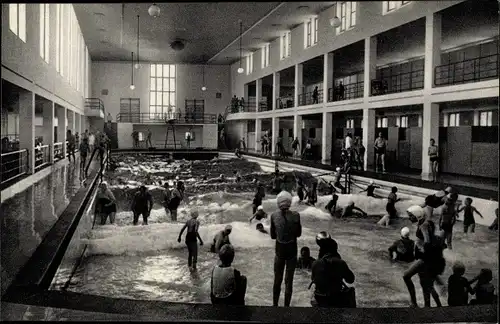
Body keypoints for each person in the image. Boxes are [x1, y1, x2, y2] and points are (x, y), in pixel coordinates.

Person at [404, 205, 445, 307]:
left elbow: (427, 240)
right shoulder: (426, 223)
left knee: (406, 276)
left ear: (417, 215)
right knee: (425, 284)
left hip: (424, 258)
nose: (409, 218)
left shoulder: (423, 225)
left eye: (411, 216)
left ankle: (414, 303)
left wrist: (422, 249)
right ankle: (431, 306)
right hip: (428, 258)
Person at [270, 191, 302, 307]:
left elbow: (273, 236)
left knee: (277, 280)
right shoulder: (296, 215)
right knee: (289, 281)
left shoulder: (274, 215)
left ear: (278, 202)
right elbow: (298, 234)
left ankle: (275, 306)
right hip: (292, 250)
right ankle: (286, 307)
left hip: (279, 250)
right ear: (289, 202)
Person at [311, 234, 355, 308]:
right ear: (335, 249)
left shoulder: (315, 263)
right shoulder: (340, 263)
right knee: (351, 291)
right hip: (336, 298)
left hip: (320, 298)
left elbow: (313, 279)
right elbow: (350, 280)